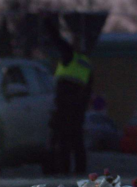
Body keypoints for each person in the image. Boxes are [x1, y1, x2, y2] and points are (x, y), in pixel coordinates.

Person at [44, 16, 93, 175]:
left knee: (62, 139)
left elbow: (56, 39)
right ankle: (80, 170)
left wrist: (46, 21)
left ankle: (64, 170)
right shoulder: (86, 63)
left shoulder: (69, 56)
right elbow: (89, 89)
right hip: (77, 108)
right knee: (77, 140)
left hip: (64, 105)